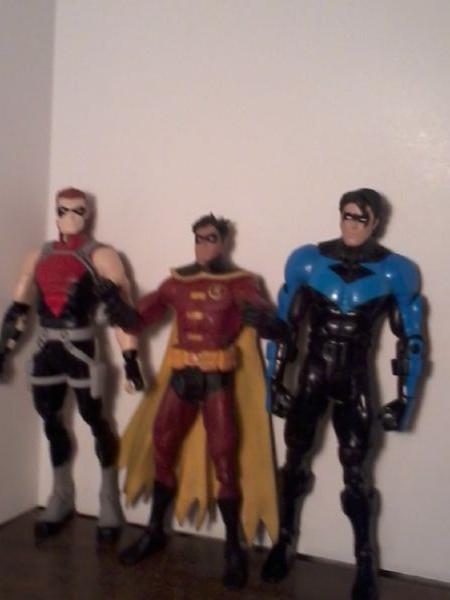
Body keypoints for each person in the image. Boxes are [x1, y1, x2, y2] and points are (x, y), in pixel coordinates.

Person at [261, 189, 424, 600]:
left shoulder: (395, 271)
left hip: (354, 376)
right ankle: (284, 540)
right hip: (313, 374)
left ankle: (365, 559)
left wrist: (406, 399)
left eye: (360, 218)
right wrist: (273, 384)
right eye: (346, 216)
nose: (351, 225)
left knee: (356, 473)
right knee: (294, 461)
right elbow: (284, 327)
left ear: (375, 223)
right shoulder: (308, 261)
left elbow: (411, 340)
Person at [118, 214, 279, 589]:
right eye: (198, 239)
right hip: (181, 377)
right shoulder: (177, 281)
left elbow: (263, 313)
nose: (203, 246)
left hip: (216, 380)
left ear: (223, 241)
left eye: (210, 239)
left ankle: (233, 547)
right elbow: (139, 317)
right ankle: (155, 530)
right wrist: (116, 305)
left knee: (224, 457)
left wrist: (268, 321)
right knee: (162, 445)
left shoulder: (240, 282)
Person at [0, 187, 144, 544]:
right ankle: (61, 495)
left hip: (81, 348)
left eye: (78, 210)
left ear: (87, 212)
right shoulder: (39, 255)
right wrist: (3, 350)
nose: (70, 217)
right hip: (46, 347)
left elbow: (124, 316)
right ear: (55, 212)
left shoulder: (102, 255)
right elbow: (19, 309)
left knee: (96, 420)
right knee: (51, 421)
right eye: (63, 210)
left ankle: (108, 499)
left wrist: (131, 360)